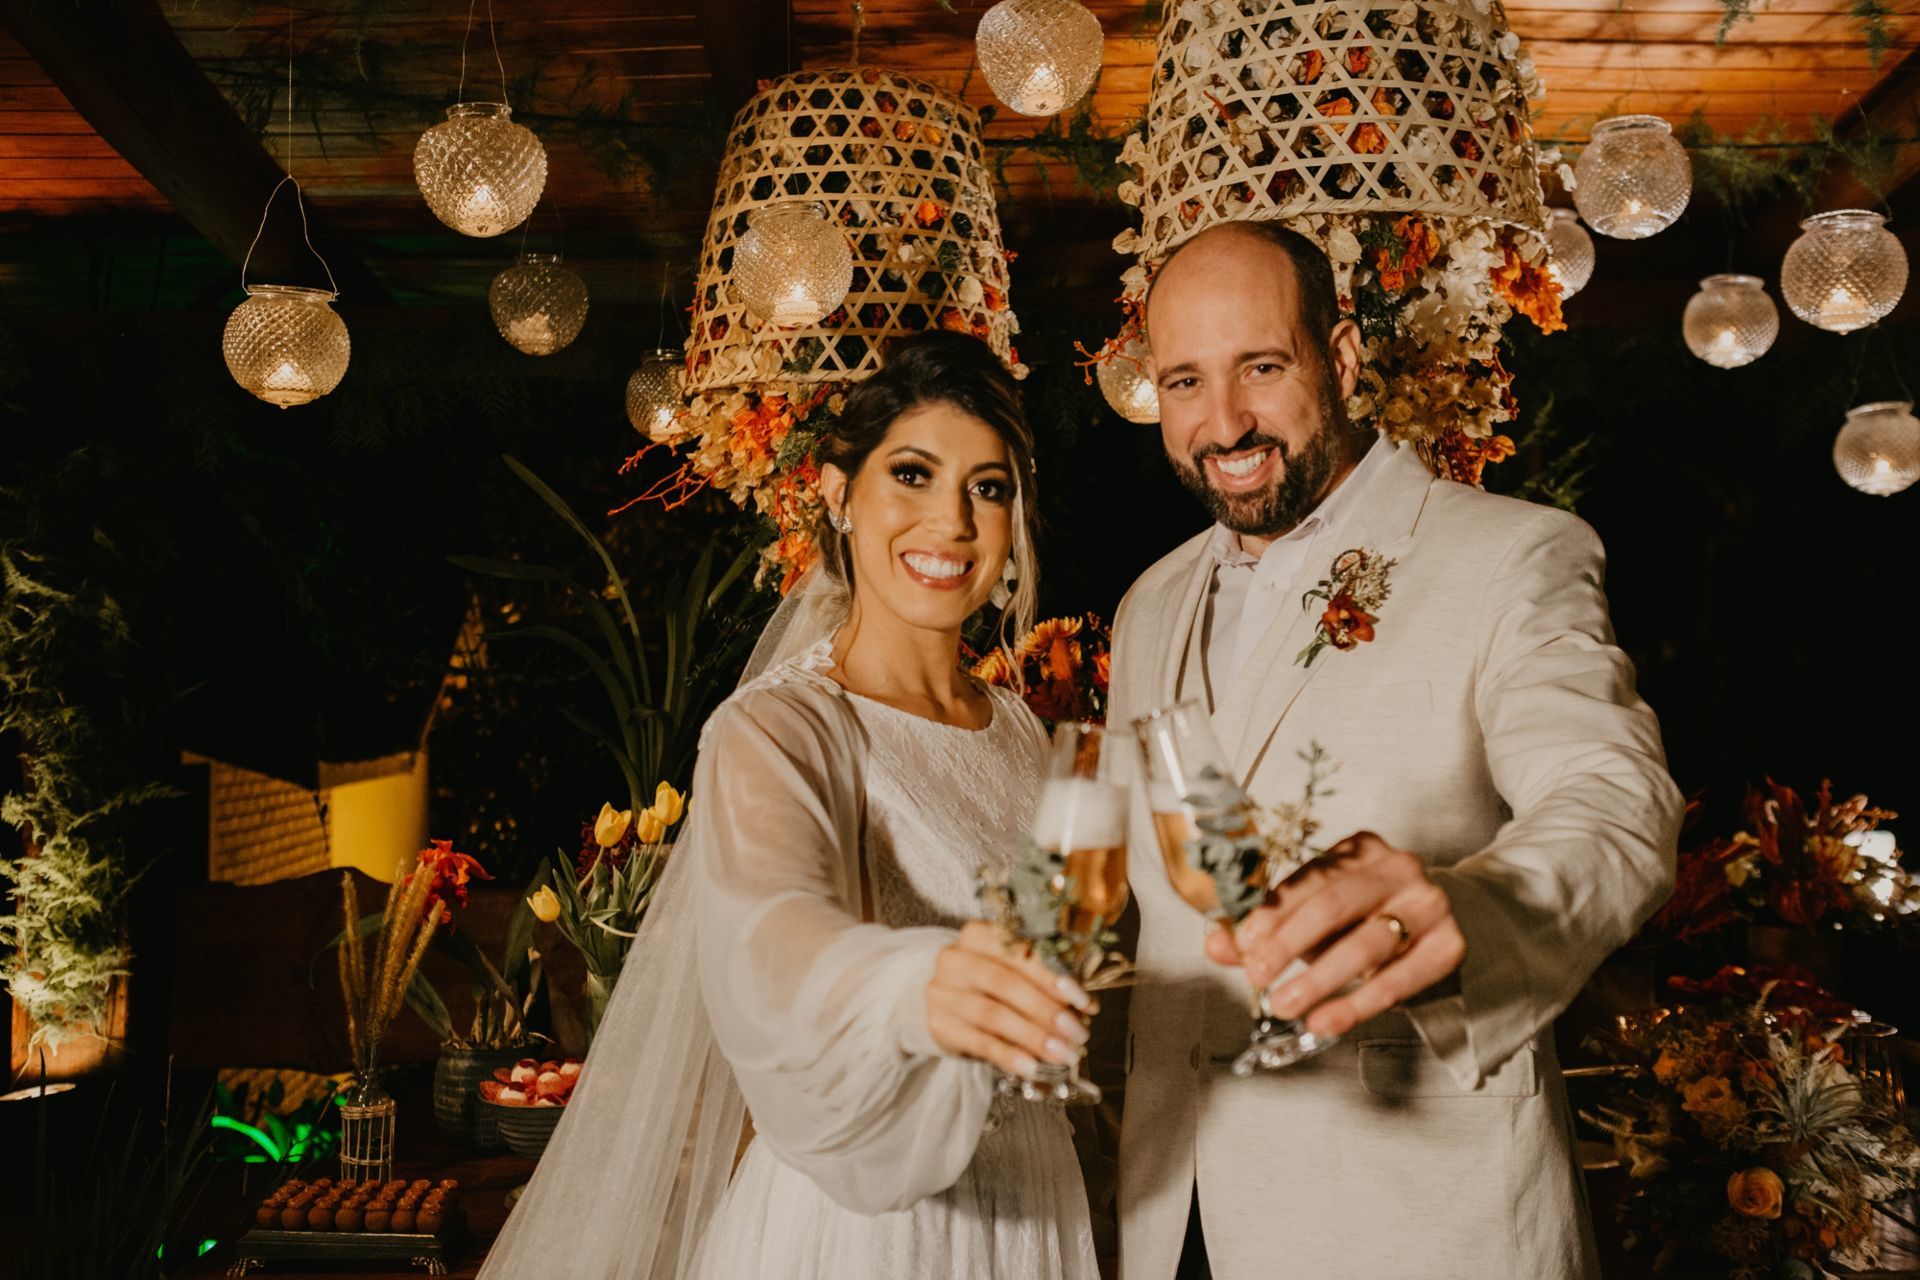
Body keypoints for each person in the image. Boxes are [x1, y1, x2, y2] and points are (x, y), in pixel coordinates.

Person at [1106, 220, 1684, 1279]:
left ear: (1345, 356)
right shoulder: (1148, 605)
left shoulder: (1509, 553)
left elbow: (1616, 801)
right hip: (1171, 1219)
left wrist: (1470, 915)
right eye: (1184, 381)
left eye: (1262, 367)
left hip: (1419, 1227)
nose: (1223, 420)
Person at [478, 330, 1099, 1280]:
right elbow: (775, 929)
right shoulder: (779, 730)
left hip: (1035, 1203)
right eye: (914, 475)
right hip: (870, 1227)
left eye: (987, 487)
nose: (953, 523)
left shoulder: (1023, 732)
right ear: (839, 496)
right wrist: (920, 984)